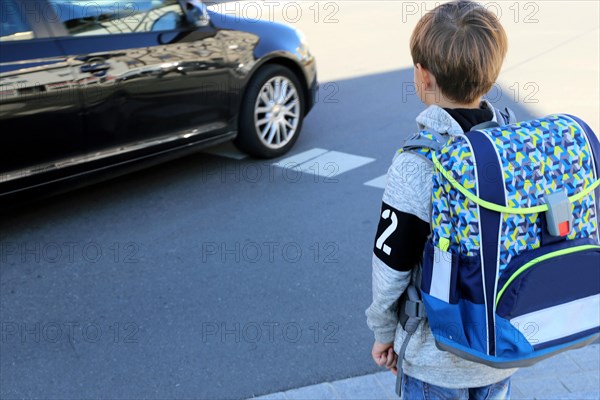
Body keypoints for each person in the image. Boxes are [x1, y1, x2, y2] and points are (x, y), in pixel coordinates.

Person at [366, 1, 517, 398]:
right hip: (501, 348)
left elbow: (391, 264)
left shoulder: (418, 162)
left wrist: (384, 332)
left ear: (423, 75)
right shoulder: (512, 143)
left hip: (435, 358)